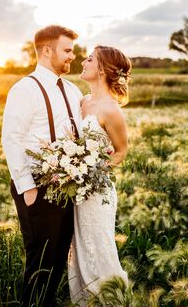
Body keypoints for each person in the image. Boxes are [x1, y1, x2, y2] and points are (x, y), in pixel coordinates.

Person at [2, 25, 84, 306]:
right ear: (47, 51)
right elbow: (11, 139)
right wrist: (28, 188)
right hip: (37, 188)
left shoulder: (73, 90)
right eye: (67, 50)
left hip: (68, 189)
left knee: (59, 260)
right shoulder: (25, 89)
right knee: (40, 264)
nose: (72, 56)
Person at [68, 45, 130, 305]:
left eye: (90, 59)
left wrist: (94, 173)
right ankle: (84, 300)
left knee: (99, 245)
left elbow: (121, 151)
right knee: (78, 247)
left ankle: (111, 299)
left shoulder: (111, 110)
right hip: (76, 190)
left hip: (97, 191)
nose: (83, 61)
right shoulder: (82, 101)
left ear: (103, 69)